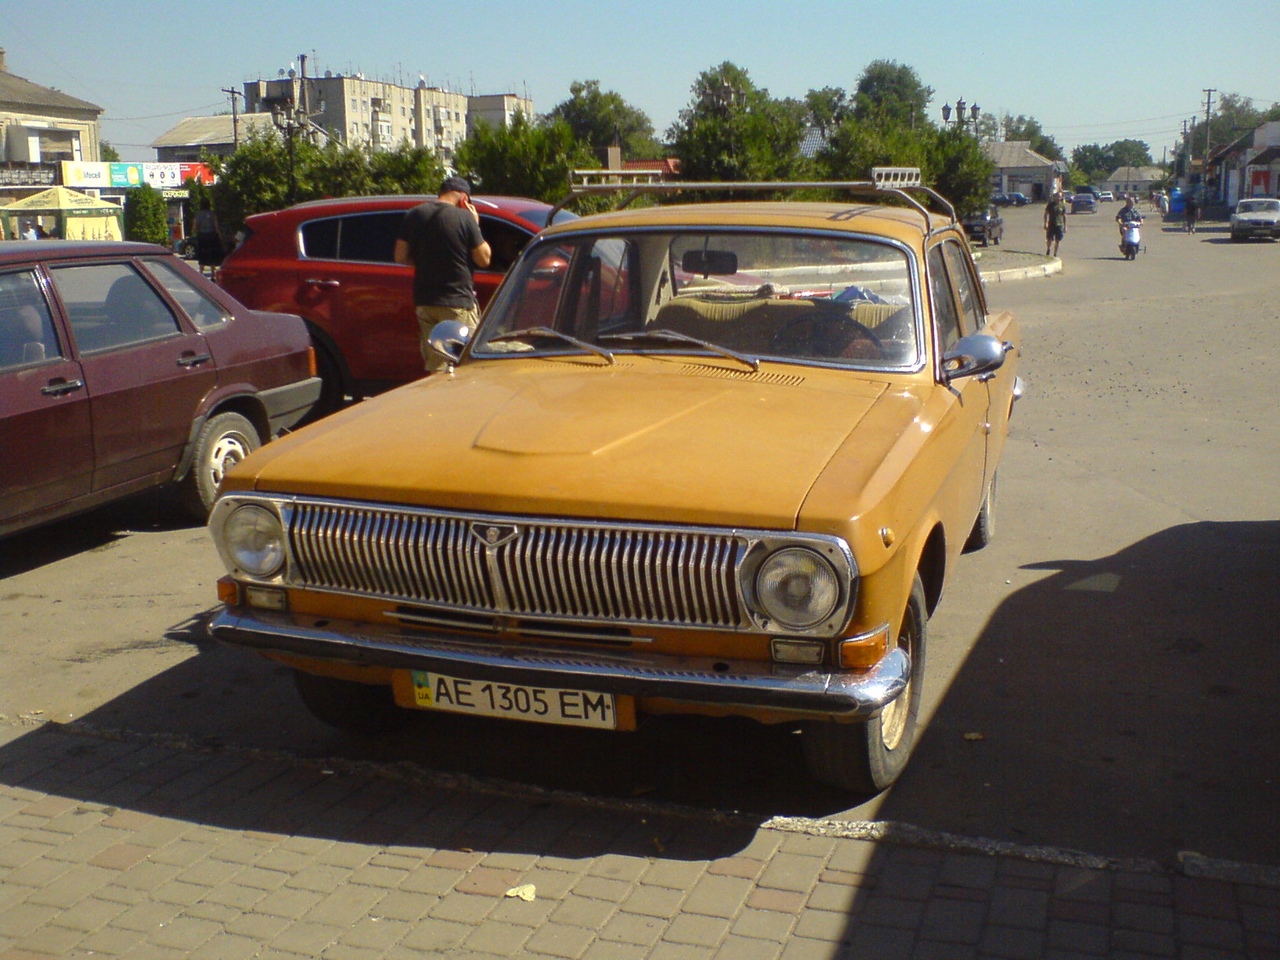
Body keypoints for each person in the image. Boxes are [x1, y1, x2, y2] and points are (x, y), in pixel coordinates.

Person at [393, 176, 492, 372]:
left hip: (425, 302)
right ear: (464, 199)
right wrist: (475, 224)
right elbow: (484, 259)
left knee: (436, 365)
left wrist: (425, 261)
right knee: (464, 364)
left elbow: (400, 256)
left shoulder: (414, 214)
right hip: (457, 303)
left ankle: (439, 401)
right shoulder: (464, 218)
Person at [194, 200, 223, 275]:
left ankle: (201, 272)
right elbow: (216, 227)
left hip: (202, 237)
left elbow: (195, 227)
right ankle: (213, 274)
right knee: (212, 255)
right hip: (212, 236)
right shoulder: (213, 214)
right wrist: (220, 237)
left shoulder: (198, 215)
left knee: (202, 255)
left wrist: (198, 234)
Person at [1043, 190, 1068, 257]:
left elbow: (1064, 216)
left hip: (1059, 224)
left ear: (1061, 197)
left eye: (1059, 196)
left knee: (1058, 240)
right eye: (1057, 196)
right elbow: (1046, 214)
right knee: (1049, 239)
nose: (1058, 197)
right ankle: (1048, 249)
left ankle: (1055, 253)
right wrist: (1045, 223)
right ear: (1054, 197)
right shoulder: (1050, 205)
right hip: (1051, 224)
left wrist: (1065, 226)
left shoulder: (1062, 206)